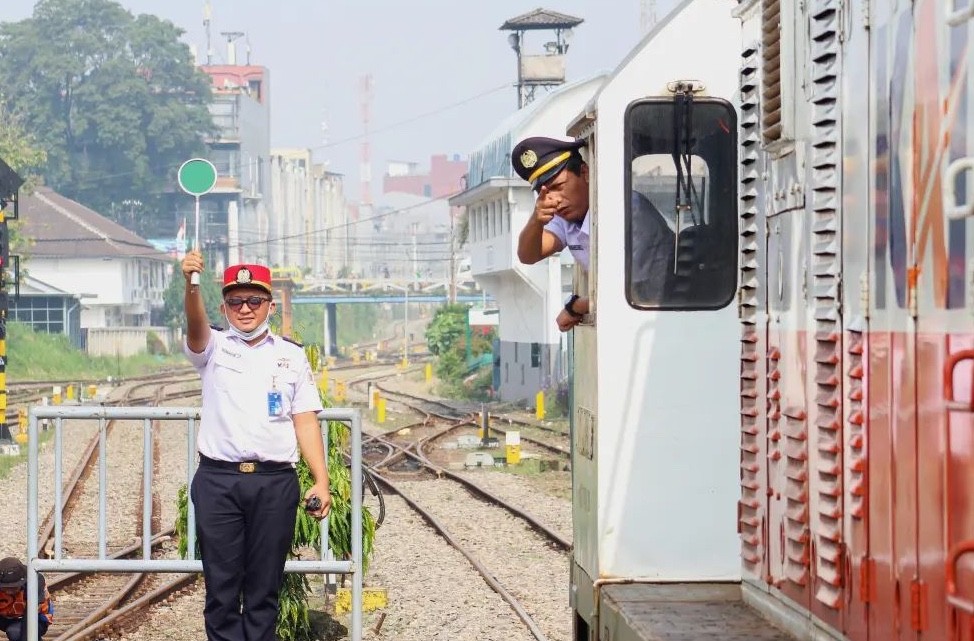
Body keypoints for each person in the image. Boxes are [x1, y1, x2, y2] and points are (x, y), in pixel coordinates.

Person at [180, 252, 331, 641]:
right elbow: (195, 326)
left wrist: (321, 479)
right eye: (235, 301)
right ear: (223, 305)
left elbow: (305, 419)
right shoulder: (212, 346)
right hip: (219, 482)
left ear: (270, 305)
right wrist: (191, 283)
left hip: (274, 484)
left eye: (254, 300)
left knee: (265, 591)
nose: (244, 309)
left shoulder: (291, 355)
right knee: (222, 591)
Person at [513, 136, 592, 332]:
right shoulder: (567, 218)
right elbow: (527, 255)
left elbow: (623, 297)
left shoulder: (624, 212)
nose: (553, 200)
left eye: (558, 187)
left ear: (584, 172)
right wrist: (536, 220)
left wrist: (574, 306)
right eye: (544, 192)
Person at [0, 557, 53, 641]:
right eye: (5, 588)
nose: (9, 592)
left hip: (35, 618)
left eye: (13, 588)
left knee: (15, 632)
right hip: (7, 617)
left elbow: (30, 617)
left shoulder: (35, 582)